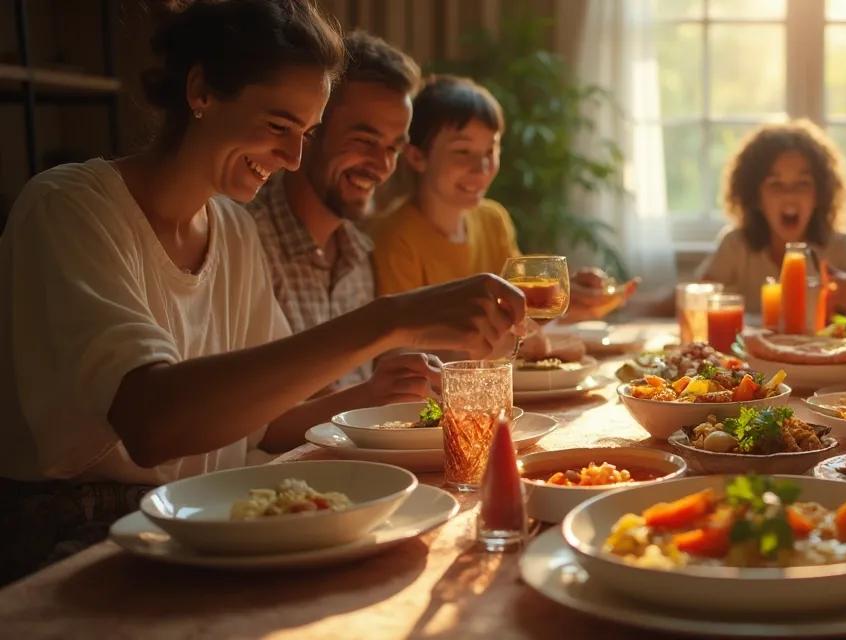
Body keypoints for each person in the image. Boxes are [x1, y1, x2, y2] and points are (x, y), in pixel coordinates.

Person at [0, 0, 526, 582]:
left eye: (305, 133)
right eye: (280, 126)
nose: (294, 157)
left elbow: (263, 423)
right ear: (200, 90)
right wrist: (386, 320)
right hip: (77, 532)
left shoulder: (232, 229)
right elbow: (151, 426)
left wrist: (365, 392)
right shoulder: (70, 207)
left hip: (210, 515)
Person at [247, 30, 432, 397]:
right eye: (364, 141)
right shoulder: (245, 240)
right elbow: (247, 428)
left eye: (393, 149)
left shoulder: (360, 256)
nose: (381, 166)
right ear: (310, 130)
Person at [370, 75, 633, 322]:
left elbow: (525, 311)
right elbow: (402, 347)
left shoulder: (492, 219)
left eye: (490, 150)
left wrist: (572, 294)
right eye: (462, 151)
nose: (482, 167)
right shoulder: (396, 238)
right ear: (417, 157)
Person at [696, 119, 846, 315]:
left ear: (819, 195)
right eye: (775, 184)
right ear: (755, 197)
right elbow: (696, 299)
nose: (790, 195)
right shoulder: (735, 246)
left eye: (803, 183)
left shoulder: (843, 248)